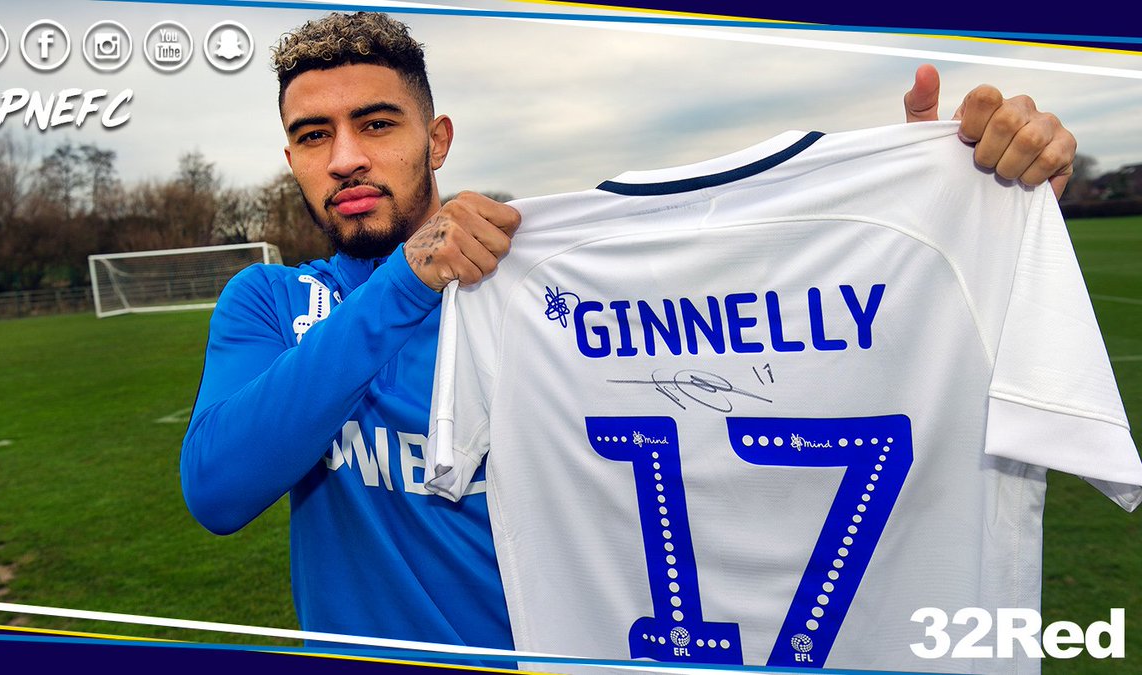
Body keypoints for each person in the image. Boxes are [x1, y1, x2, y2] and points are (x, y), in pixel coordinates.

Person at [180, 11, 1077, 652]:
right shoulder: (268, 303)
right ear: (291, 155)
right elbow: (219, 489)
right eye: (312, 135)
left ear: (437, 136)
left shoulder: (535, 288)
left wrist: (928, 212)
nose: (345, 158)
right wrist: (406, 285)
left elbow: (761, 381)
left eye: (376, 124)